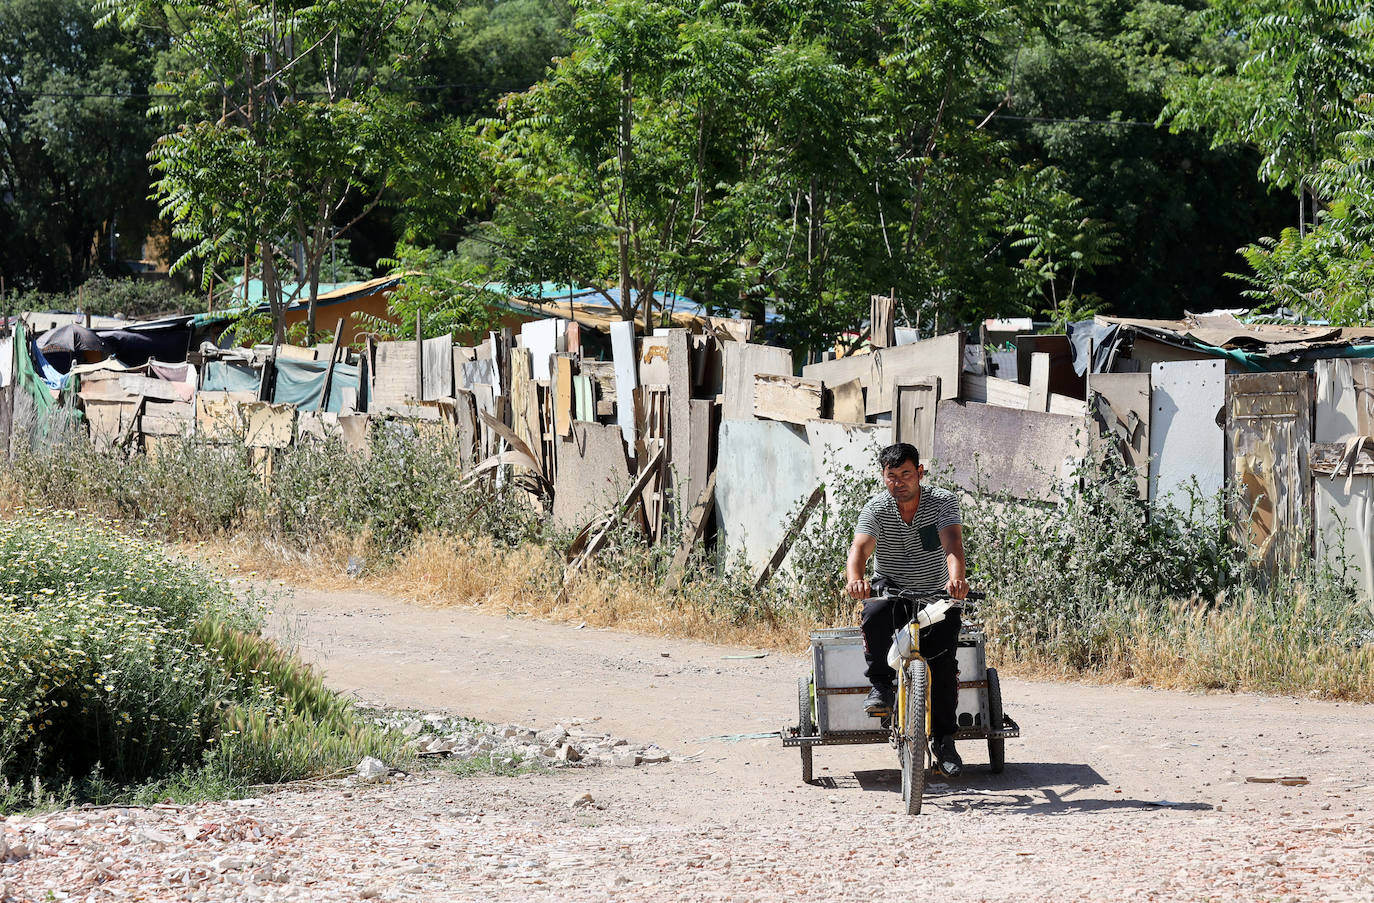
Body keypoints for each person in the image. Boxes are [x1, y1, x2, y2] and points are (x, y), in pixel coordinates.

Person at [846, 442, 968, 777]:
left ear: (920, 474)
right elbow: (860, 547)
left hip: (935, 596)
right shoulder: (876, 508)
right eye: (892, 476)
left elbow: (952, 543)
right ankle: (882, 686)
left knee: (942, 667)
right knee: (872, 613)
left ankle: (944, 741)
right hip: (893, 591)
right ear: (883, 477)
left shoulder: (942, 502)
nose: (899, 482)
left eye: (906, 474)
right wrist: (856, 579)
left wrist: (956, 581)